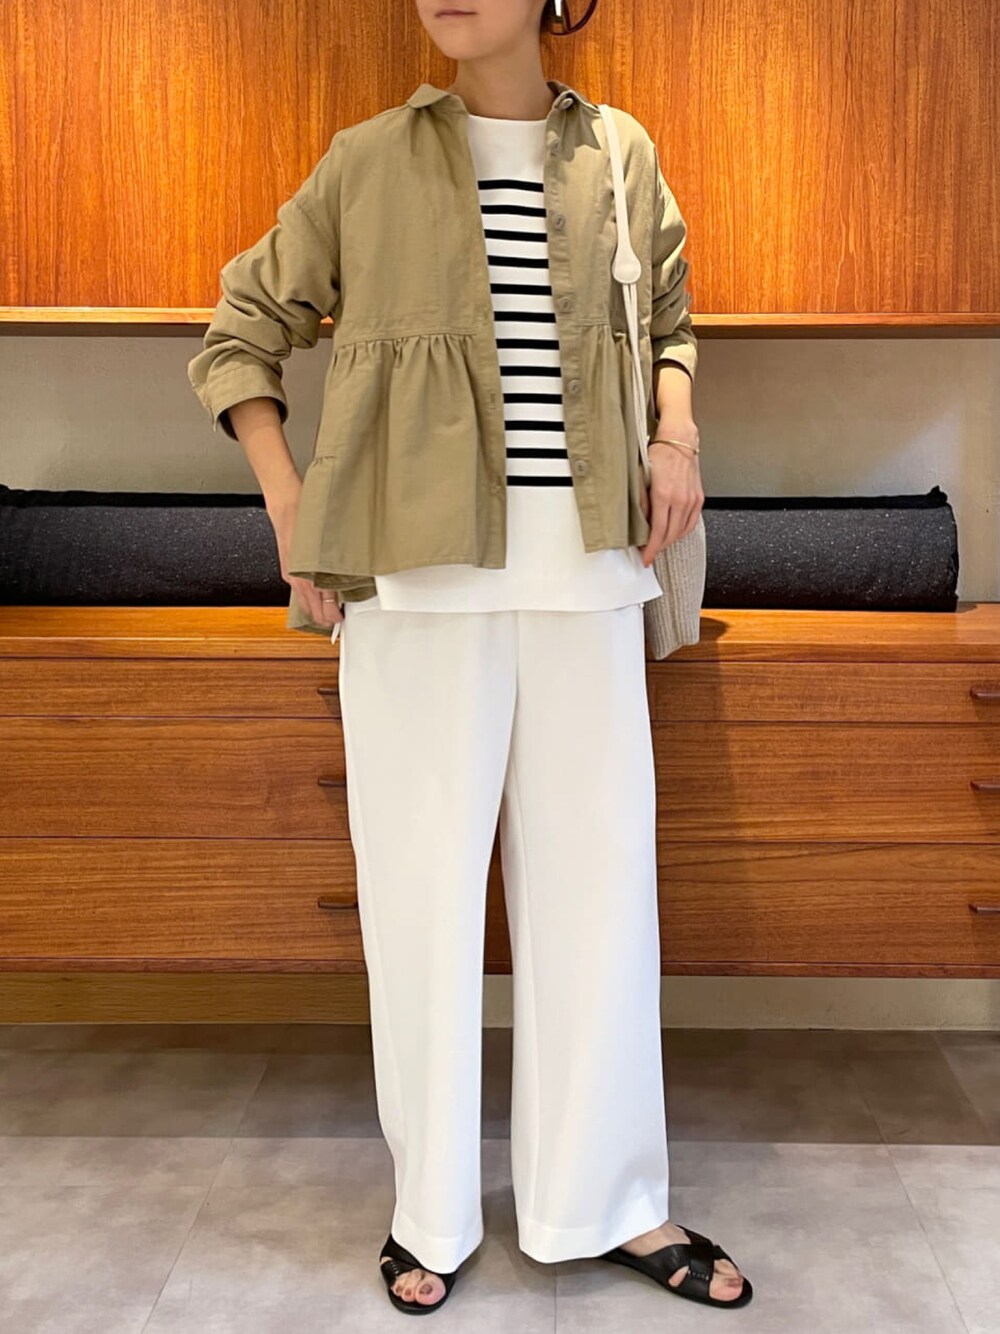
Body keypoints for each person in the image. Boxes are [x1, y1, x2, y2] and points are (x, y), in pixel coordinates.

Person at [189, 0, 752, 1316]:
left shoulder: (619, 152)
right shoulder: (367, 161)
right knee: (420, 910)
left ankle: (606, 1201)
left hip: (592, 580)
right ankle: (429, 1210)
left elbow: (669, 317)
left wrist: (675, 433)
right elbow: (238, 331)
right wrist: (289, 501)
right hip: (414, 591)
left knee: (601, 909)